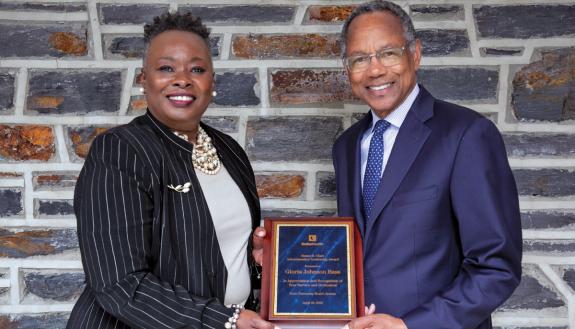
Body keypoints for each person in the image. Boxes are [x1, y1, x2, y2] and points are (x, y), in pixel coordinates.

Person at [67, 12, 275, 329]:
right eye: (166, 68)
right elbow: (119, 284)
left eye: (197, 69)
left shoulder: (231, 152)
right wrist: (224, 320)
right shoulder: (121, 151)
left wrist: (256, 259)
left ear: (212, 81)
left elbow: (210, 250)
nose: (182, 78)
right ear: (143, 79)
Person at [331, 1, 523, 328]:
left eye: (388, 53)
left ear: (415, 54)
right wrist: (279, 257)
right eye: (359, 59)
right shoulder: (347, 146)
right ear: (347, 69)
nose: (374, 70)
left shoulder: (467, 135)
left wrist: (410, 325)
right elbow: (364, 254)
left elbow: (496, 267)